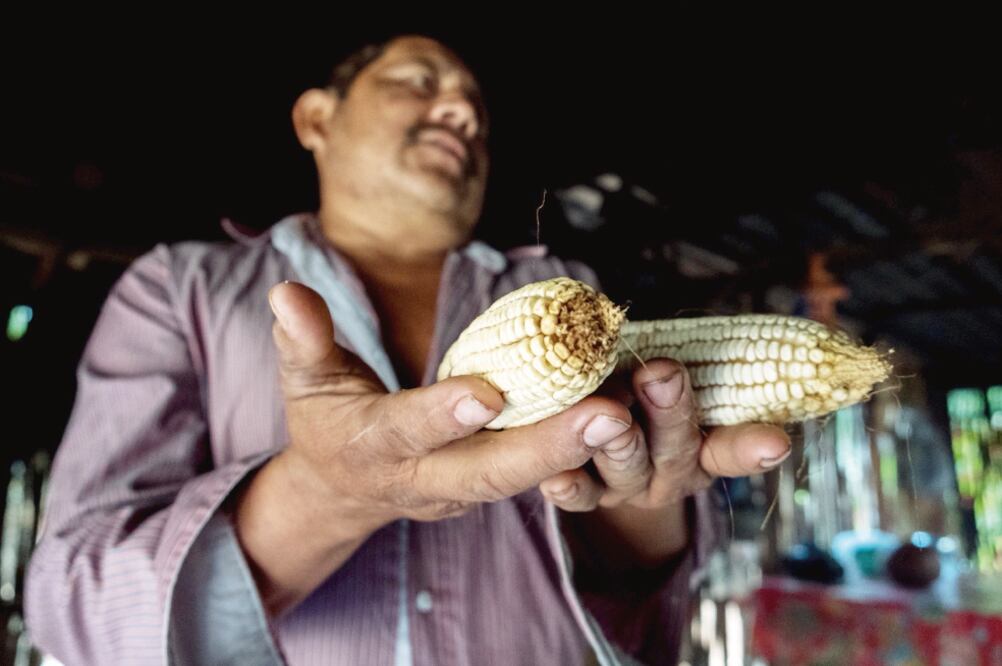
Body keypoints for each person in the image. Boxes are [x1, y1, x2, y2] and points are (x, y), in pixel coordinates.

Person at [24, 35, 791, 665]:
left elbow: (648, 591)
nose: (460, 110)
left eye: (476, 110)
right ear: (317, 118)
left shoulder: (572, 290)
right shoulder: (179, 289)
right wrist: (328, 496)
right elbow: (73, 603)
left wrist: (646, 512)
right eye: (419, 83)